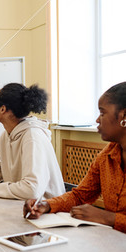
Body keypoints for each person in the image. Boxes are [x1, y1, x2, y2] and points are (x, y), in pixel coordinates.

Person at [24, 82, 126, 233]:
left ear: (124, 116)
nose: (98, 120)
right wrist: (46, 205)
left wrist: (109, 218)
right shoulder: (107, 155)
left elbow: (107, 217)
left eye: (102, 113)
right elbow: (80, 196)